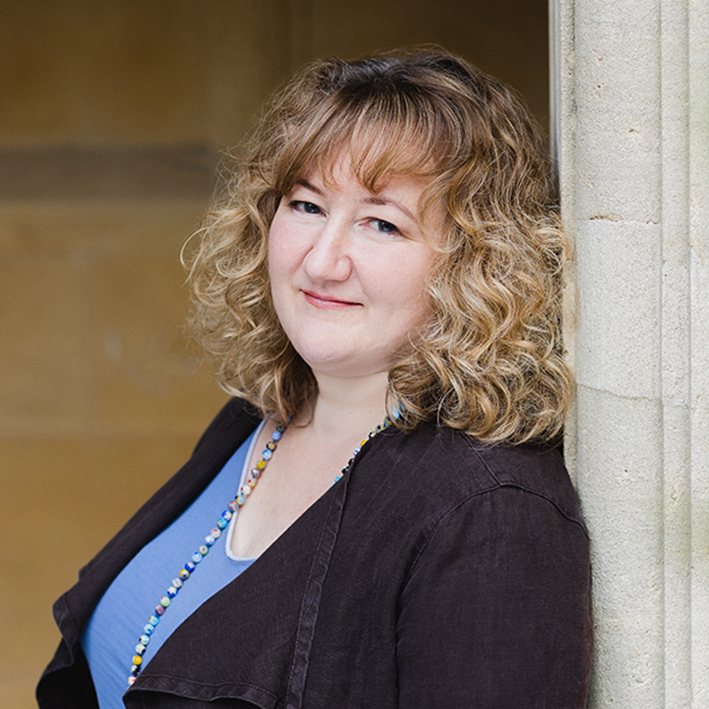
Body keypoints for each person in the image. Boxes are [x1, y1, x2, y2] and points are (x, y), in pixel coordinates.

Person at [38, 47, 592, 708]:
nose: (323, 260)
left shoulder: (491, 514)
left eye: (381, 223)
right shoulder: (259, 417)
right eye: (305, 205)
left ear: (479, 262)